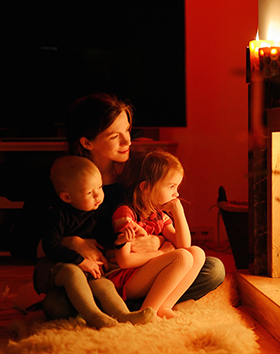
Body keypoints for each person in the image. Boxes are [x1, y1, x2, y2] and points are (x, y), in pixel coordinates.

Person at [32, 93, 225, 319]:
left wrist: (158, 241)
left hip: (138, 270)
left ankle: (135, 306)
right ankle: (128, 307)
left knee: (213, 269)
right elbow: (24, 245)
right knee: (58, 305)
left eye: (128, 131)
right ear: (86, 142)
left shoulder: (133, 177)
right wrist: (72, 242)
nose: (127, 142)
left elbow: (155, 222)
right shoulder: (58, 180)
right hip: (93, 275)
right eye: (115, 136)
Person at [34, 155, 154, 328]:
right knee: (71, 273)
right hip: (53, 268)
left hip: (85, 268)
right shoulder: (58, 216)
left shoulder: (96, 211)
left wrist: (120, 238)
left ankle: (124, 315)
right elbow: (50, 246)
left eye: (100, 187)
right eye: (90, 192)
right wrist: (80, 261)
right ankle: (93, 316)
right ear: (67, 197)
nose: (98, 195)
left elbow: (102, 237)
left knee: (103, 283)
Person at [106, 149, 205, 319]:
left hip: (144, 273)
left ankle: (164, 306)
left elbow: (185, 245)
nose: (177, 193)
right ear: (145, 187)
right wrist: (161, 253)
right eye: (171, 186)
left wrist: (177, 210)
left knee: (197, 253)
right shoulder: (126, 213)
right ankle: (147, 311)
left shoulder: (158, 214)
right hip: (125, 279)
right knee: (181, 257)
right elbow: (124, 261)